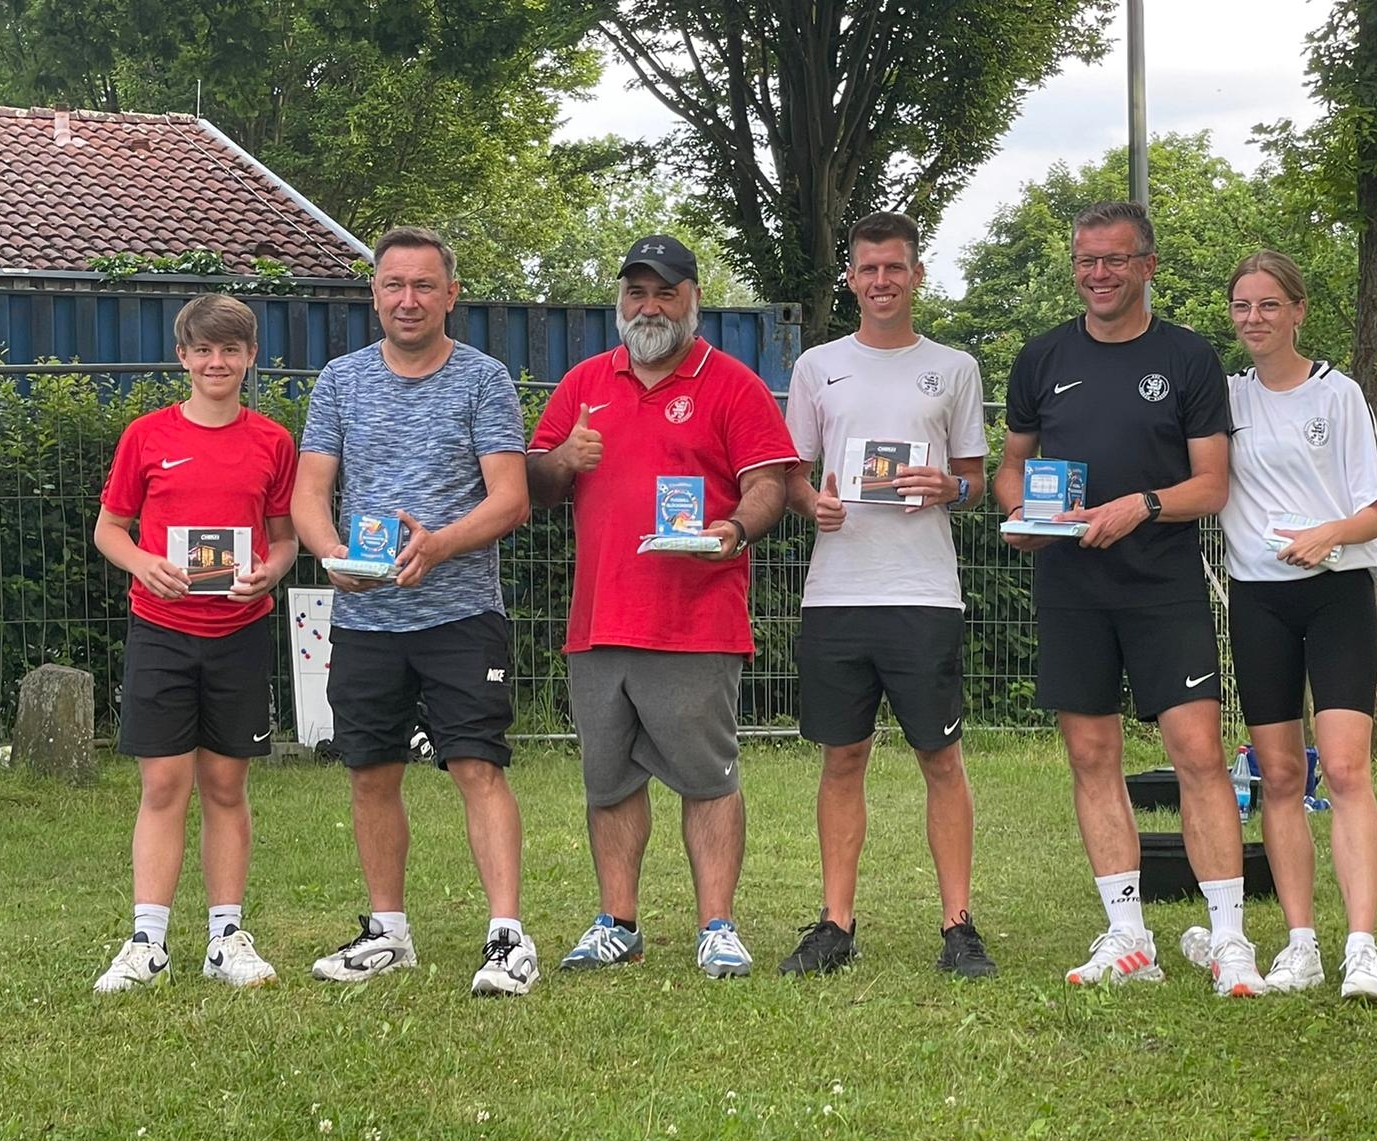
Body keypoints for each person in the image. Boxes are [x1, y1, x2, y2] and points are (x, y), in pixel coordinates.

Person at [992, 200, 1265, 998]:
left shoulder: (1187, 357)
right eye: (1087, 260)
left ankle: (1229, 940)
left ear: (1147, 265)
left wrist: (1140, 505)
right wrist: (1021, 517)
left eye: (1114, 259)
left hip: (1162, 588)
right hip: (1071, 588)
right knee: (1090, 756)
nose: (1099, 273)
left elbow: (1211, 486)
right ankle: (1128, 935)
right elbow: (1012, 466)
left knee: (1198, 755)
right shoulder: (1041, 357)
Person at [527, 233, 797, 978]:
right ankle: (618, 922)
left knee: (708, 779)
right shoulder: (584, 383)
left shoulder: (732, 384)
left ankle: (718, 926)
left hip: (695, 620)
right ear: (620, 301)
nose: (649, 307)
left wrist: (733, 530)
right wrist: (560, 461)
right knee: (609, 782)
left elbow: (769, 484)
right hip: (599, 620)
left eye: (665, 293)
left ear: (693, 301)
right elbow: (535, 484)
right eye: (636, 293)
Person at [292, 227, 538, 996]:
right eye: (394, 284)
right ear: (374, 294)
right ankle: (387, 933)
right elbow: (308, 493)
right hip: (366, 619)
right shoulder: (340, 380)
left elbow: (511, 498)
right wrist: (333, 555)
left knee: (477, 766)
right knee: (370, 772)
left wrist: (439, 546)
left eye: (424, 285)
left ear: (450, 295)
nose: (408, 299)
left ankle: (507, 939)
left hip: (461, 615)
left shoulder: (484, 380)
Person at [778, 211, 995, 977]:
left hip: (923, 591)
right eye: (868, 269)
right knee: (843, 757)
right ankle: (835, 924)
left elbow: (976, 480)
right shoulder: (817, 367)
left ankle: (958, 925)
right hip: (837, 591)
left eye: (894, 268)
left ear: (916, 275)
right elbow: (792, 475)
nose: (881, 281)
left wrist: (949, 488)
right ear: (851, 279)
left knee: (941, 757)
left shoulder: (955, 368)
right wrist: (813, 504)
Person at [1200, 249, 1377, 1001]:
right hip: (1259, 600)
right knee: (1278, 775)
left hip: (1337, 593)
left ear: (1298, 311)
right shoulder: (1225, 398)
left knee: (1343, 770)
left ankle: (1362, 950)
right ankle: (1301, 944)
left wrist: (1328, 535)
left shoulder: (1338, 394)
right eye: (1242, 306)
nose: (1254, 318)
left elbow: (1376, 512)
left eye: (1269, 305)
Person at [92, 294, 298, 992]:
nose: (217, 362)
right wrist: (143, 563)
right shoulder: (145, 436)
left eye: (230, 350)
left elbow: (284, 538)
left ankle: (225, 939)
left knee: (226, 785)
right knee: (162, 785)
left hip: (240, 632)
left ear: (250, 357)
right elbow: (110, 529)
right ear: (182, 356)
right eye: (204, 350)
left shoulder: (273, 442)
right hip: (161, 631)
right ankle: (147, 942)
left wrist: (271, 571)